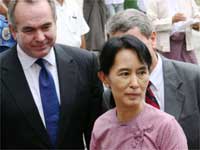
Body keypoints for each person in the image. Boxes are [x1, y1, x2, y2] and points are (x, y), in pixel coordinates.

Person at [0, 0, 103, 149]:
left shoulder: (85, 64)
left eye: (46, 27)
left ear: (56, 21)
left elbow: (96, 134)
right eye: (29, 30)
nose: (40, 37)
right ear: (13, 31)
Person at [105, 9, 200, 149]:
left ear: (153, 39)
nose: (127, 55)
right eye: (118, 50)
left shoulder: (193, 78)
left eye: (134, 46)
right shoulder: (112, 94)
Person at [90, 35, 188, 150]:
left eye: (141, 73)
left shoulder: (166, 127)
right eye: (125, 74)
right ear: (104, 78)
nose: (135, 84)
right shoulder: (101, 126)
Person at [146, 0, 200, 64]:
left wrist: (196, 24)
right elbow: (150, 24)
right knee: (171, 70)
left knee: (193, 71)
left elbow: (196, 15)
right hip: (166, 46)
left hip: (186, 45)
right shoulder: (154, 1)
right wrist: (171, 20)